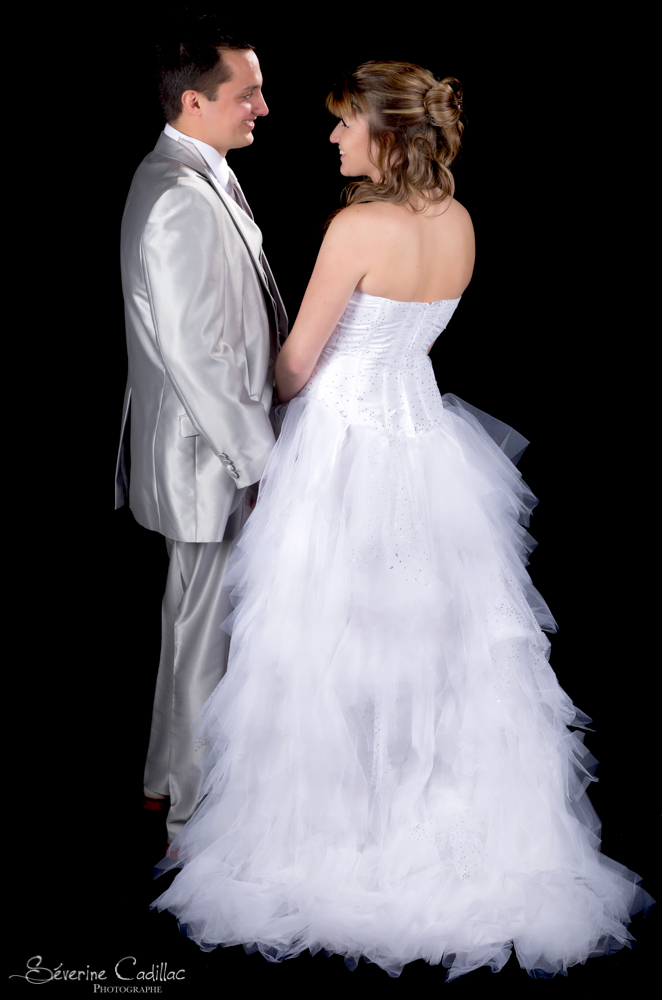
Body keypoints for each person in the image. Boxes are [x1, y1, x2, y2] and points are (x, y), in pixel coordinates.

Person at [151, 61, 648, 979]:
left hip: (343, 451)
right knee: (431, 646)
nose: (331, 136)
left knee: (329, 643)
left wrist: (239, 378)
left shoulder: (356, 227)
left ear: (384, 134)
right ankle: (434, 828)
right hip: (423, 447)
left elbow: (296, 367)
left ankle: (335, 837)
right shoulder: (457, 221)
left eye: (344, 123)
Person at [114, 16, 287, 846]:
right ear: (194, 101)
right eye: (246, 93)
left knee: (192, 628)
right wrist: (264, 464)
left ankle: (164, 783)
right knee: (205, 638)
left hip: (205, 452)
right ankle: (188, 817)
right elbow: (196, 355)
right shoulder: (179, 196)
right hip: (209, 459)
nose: (262, 106)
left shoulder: (191, 171)